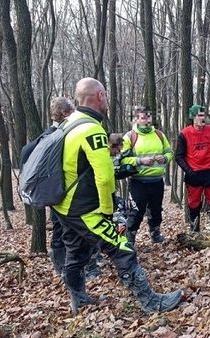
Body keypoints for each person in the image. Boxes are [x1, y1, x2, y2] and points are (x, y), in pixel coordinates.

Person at [52, 78, 182, 314]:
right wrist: (108, 212)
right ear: (100, 96)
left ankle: (78, 299)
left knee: (76, 251)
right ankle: (151, 302)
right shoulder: (91, 129)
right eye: (106, 95)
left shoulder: (69, 123)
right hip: (84, 208)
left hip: (64, 205)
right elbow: (104, 177)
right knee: (121, 245)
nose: (108, 100)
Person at [20, 97, 102, 280]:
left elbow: (24, 153)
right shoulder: (61, 135)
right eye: (73, 111)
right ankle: (75, 269)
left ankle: (65, 268)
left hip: (55, 194)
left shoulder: (47, 136)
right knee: (72, 231)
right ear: (65, 113)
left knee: (62, 230)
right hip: (68, 194)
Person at [120, 106, 173, 245]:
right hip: (138, 182)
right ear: (136, 119)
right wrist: (139, 161)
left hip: (157, 181)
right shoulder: (130, 136)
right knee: (137, 211)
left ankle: (155, 234)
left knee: (156, 210)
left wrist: (165, 158)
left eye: (149, 117)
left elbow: (169, 152)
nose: (147, 120)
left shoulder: (159, 135)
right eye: (143, 117)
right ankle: (130, 238)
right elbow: (122, 159)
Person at [175, 105, 210, 234]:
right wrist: (190, 172)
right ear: (193, 117)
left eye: (203, 115)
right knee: (194, 204)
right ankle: (195, 230)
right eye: (199, 115)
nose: (202, 118)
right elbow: (178, 156)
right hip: (194, 174)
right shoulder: (184, 134)